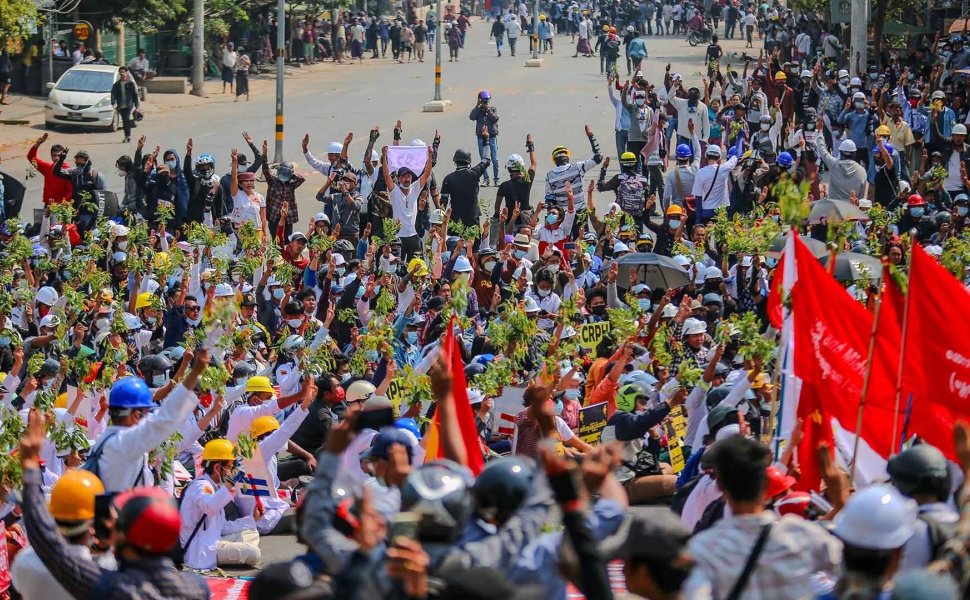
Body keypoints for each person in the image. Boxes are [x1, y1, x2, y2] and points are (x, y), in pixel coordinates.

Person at [470, 91, 500, 185]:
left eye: (487, 101)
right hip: (481, 138)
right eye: (484, 101)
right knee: (483, 159)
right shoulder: (478, 110)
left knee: (495, 159)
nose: (485, 103)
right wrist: (477, 106)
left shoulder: (492, 109)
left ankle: (496, 179)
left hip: (492, 137)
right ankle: (486, 179)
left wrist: (488, 111)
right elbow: (472, 117)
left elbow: (495, 118)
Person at [110, 66, 139, 144]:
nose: (122, 73)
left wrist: (137, 107)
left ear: (126, 73)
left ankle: (127, 136)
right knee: (125, 120)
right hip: (120, 106)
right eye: (121, 72)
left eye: (123, 72)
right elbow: (113, 94)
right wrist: (114, 103)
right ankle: (128, 135)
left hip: (128, 105)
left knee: (126, 120)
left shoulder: (130, 83)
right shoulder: (117, 84)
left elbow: (135, 95)